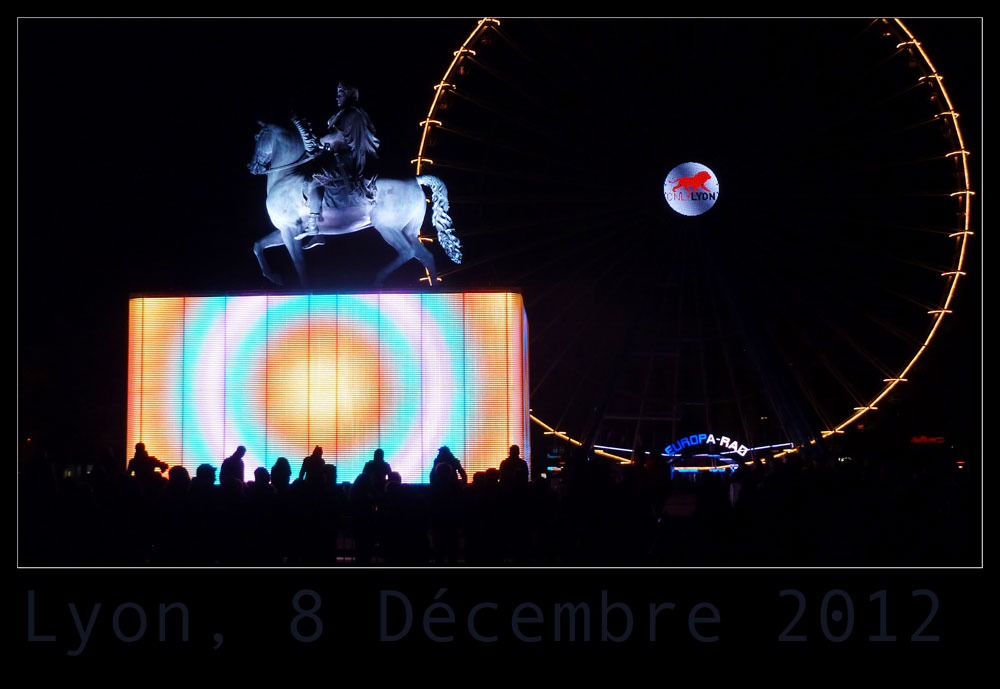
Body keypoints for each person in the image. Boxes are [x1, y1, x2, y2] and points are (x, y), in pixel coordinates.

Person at [301, 81, 380, 237]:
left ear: (349, 95)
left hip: (346, 160)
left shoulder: (351, 113)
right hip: (343, 157)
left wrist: (318, 141)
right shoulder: (352, 113)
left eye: (340, 93)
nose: (337, 97)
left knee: (313, 177)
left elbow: (336, 136)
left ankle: (312, 224)